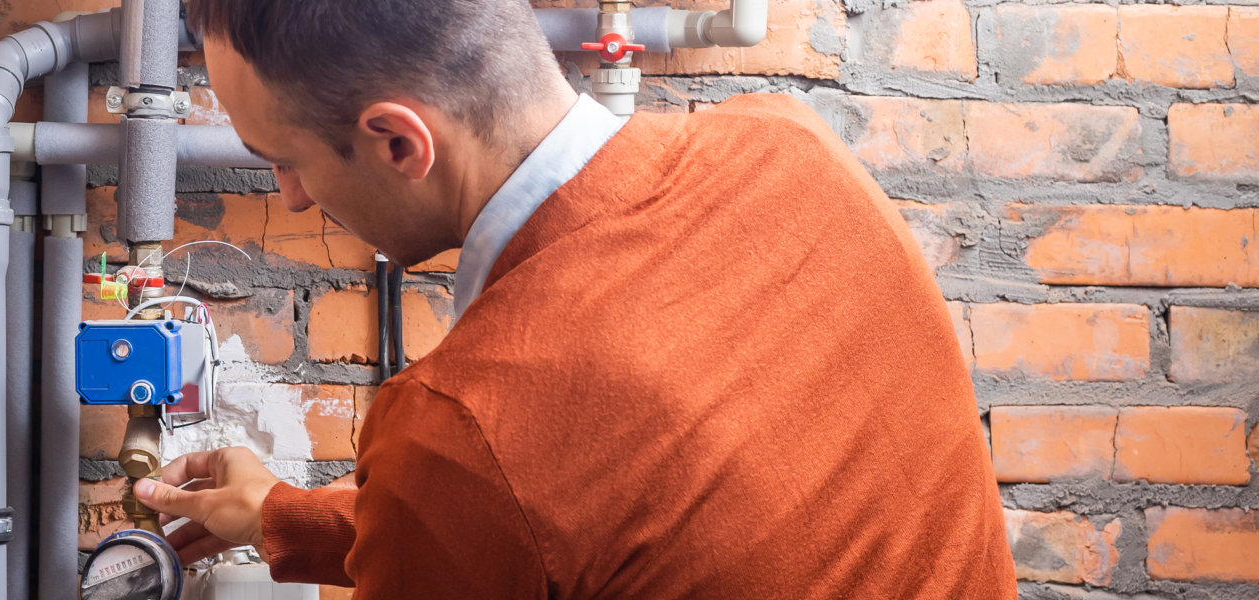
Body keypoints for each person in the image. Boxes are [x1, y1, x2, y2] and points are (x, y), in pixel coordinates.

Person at [133, 0, 1018, 597]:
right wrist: (284, 517)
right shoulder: (789, 147)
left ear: (399, 142)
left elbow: (513, 484)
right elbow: (620, 509)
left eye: (283, 158)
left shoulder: (463, 429)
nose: (288, 195)